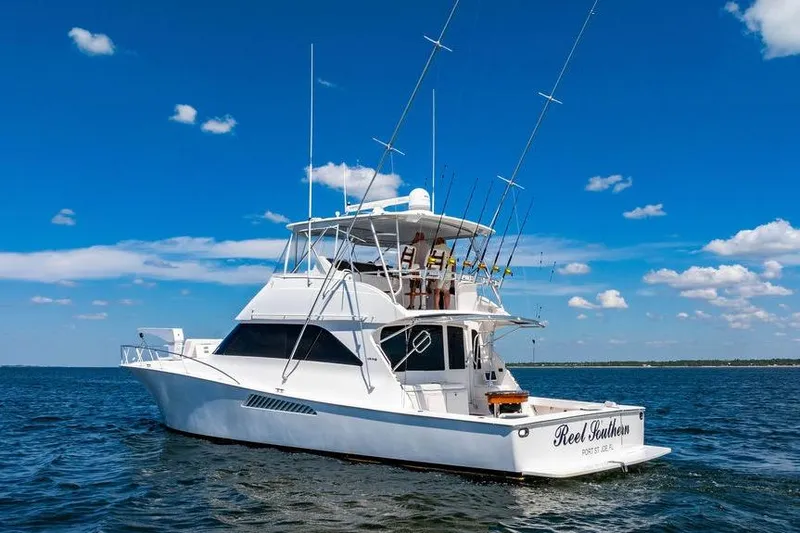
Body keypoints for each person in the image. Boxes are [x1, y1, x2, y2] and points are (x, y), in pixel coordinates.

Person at [406, 232, 428, 309]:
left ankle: (411, 305)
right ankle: (422, 305)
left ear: (418, 237)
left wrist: (413, 241)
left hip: (415, 271)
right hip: (425, 272)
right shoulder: (428, 247)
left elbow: (410, 258)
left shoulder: (414, 246)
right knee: (423, 287)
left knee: (413, 288)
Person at [431, 237, 452, 310]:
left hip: (439, 273)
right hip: (448, 272)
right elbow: (453, 263)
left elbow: (430, 262)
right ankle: (447, 309)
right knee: (447, 291)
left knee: (437, 290)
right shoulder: (449, 249)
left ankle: (436, 308)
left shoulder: (434, 248)